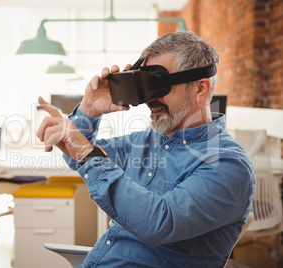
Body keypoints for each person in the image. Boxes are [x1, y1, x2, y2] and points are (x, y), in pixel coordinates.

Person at [37, 31, 255, 267]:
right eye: (144, 86)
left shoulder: (227, 164)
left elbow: (159, 223)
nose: (149, 99)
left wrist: (84, 152)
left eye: (157, 85)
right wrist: (89, 110)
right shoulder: (146, 141)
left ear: (200, 90)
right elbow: (78, 158)